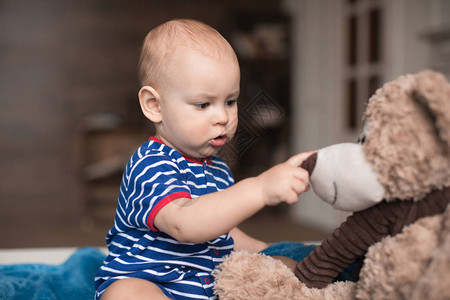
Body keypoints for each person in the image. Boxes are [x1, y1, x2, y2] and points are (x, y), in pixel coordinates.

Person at [95, 19, 311, 300]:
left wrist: (267, 251)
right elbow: (185, 224)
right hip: (150, 280)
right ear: (154, 106)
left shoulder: (218, 169)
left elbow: (225, 230)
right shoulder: (149, 163)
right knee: (127, 293)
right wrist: (258, 188)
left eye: (230, 101)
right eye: (203, 104)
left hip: (206, 284)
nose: (222, 117)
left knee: (286, 269)